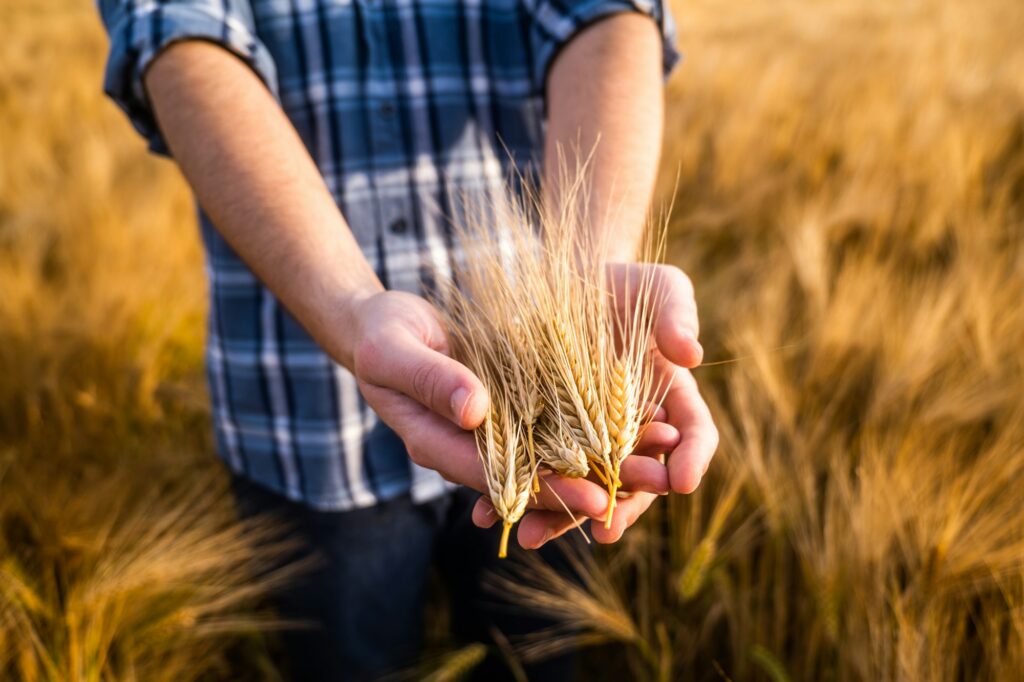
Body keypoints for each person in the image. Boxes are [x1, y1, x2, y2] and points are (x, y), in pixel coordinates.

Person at [97, 0, 718, 679]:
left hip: (549, 413)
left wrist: (587, 284)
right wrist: (351, 307)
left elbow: (605, 12)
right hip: (310, 420)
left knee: (535, 657)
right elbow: (178, 35)